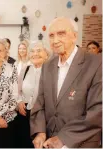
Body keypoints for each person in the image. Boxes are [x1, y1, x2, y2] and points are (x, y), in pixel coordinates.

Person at [30, 17, 102, 148]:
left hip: (81, 143)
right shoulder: (47, 66)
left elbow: (98, 110)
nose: (55, 40)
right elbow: (39, 103)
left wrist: (63, 138)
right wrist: (40, 131)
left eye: (61, 34)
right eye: (51, 35)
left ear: (74, 36)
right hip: (49, 142)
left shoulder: (96, 63)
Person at [16, 41, 50, 148]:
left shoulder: (50, 71)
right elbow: (17, 89)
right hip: (24, 113)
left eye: (39, 51)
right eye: (32, 51)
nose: (35, 54)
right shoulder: (25, 69)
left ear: (46, 54)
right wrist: (19, 101)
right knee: (23, 142)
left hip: (43, 114)